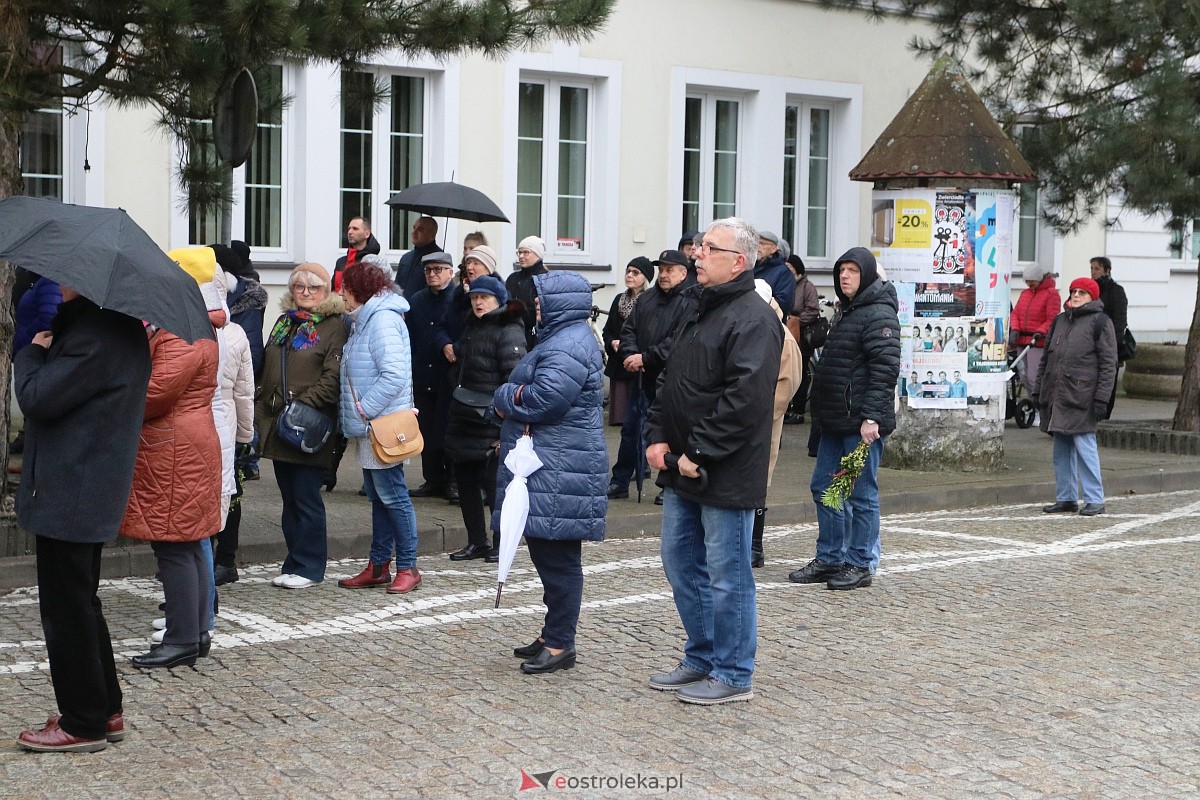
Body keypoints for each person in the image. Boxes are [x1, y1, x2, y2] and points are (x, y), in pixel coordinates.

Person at [646, 217, 783, 706]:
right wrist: (658, 436)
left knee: (728, 575)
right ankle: (701, 656)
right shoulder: (697, 307)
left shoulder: (754, 319)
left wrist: (695, 453)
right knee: (680, 562)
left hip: (722, 470)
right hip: (681, 466)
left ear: (738, 261)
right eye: (699, 246)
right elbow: (671, 380)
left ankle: (733, 672)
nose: (696, 255)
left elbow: (745, 402)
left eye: (708, 248)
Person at [13, 284, 151, 752]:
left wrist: (30, 353)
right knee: (81, 602)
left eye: (63, 276)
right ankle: (104, 709)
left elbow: (37, 397)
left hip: (74, 484)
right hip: (82, 482)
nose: (55, 283)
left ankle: (84, 721)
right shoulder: (109, 326)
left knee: (66, 608)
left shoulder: (97, 334)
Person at [493, 270, 608, 675]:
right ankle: (552, 633)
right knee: (548, 553)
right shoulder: (564, 338)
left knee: (558, 560)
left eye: (542, 300)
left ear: (563, 303)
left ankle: (561, 643)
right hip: (555, 464)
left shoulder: (570, 343)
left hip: (561, 468)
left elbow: (545, 398)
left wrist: (504, 395)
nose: (536, 306)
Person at [123, 246, 222, 669]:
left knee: (175, 546)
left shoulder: (181, 331)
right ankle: (194, 632)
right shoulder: (190, 324)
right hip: (183, 443)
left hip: (174, 447)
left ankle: (182, 637)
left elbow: (153, 394)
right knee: (185, 542)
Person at [790, 247, 900, 591]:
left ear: (866, 275)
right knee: (824, 488)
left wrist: (871, 418)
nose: (845, 276)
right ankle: (830, 557)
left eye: (852, 270)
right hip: (835, 420)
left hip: (860, 424)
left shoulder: (878, 313)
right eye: (841, 270)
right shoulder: (848, 311)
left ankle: (859, 562)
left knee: (860, 494)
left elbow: (885, 370)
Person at [256, 263, 348, 589]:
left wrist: (301, 405)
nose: (306, 293)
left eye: (313, 288)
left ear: (326, 291)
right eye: (299, 287)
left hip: (307, 424)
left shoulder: (335, 326)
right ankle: (294, 562)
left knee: (307, 498)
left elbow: (333, 378)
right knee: (289, 498)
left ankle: (310, 567)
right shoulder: (285, 322)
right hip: (278, 426)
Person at [337, 262, 423, 592]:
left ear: (360, 291)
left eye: (345, 288)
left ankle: (408, 567)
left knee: (393, 495)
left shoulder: (382, 320)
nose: (341, 293)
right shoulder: (365, 320)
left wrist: (364, 409)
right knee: (379, 496)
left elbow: (393, 375)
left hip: (382, 425)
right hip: (371, 427)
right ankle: (378, 565)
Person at [443, 275, 526, 561]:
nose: (478, 302)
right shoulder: (472, 325)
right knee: (465, 481)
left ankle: (501, 542)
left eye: (485, 297)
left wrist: (505, 426)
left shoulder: (509, 329)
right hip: (464, 415)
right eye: (475, 296)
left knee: (494, 485)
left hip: (492, 419)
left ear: (499, 300)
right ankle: (476, 541)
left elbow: (514, 379)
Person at [616, 249, 700, 504]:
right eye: (661, 270)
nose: (663, 275)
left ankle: (669, 483)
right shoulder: (647, 298)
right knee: (631, 429)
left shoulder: (690, 301)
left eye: (669, 270)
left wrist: (647, 357)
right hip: (641, 377)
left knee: (670, 433)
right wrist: (631, 355)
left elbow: (677, 341)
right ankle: (621, 480)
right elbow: (629, 329)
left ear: (683, 273)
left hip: (670, 378)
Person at [1035, 277, 1117, 517]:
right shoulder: (1060, 320)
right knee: (1061, 449)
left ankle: (1094, 499)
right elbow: (1046, 359)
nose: (1077, 295)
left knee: (1084, 446)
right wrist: (1038, 391)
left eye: (1083, 292)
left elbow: (1108, 365)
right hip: (1058, 395)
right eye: (1074, 291)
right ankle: (1066, 498)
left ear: (1093, 297)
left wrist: (1102, 398)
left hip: (1083, 396)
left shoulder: (1101, 322)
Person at [204, 267, 255, 587]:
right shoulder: (234, 332)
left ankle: (218, 560)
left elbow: (243, 390)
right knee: (227, 492)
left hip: (208, 422)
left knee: (218, 493)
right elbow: (244, 392)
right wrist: (245, 434)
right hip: (225, 424)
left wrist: (245, 434)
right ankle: (220, 559)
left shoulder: (187, 329)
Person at [750, 279, 803, 568]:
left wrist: (760, 416)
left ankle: (754, 546)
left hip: (763, 422)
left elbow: (787, 383)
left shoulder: (782, 336)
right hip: (741, 418)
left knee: (758, 480)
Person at [406, 251, 461, 503]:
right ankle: (432, 477)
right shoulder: (417, 300)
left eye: (439, 269)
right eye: (428, 270)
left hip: (447, 375)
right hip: (421, 372)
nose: (432, 274)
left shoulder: (458, 299)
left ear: (450, 272)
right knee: (425, 428)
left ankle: (451, 480)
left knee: (447, 428)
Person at [604, 256, 653, 499]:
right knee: (627, 424)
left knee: (644, 426)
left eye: (635, 272)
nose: (630, 276)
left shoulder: (649, 301)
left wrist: (634, 349)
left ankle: (642, 467)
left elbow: (647, 333)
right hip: (621, 363)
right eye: (628, 271)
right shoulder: (619, 300)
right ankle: (621, 478)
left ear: (645, 277)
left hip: (643, 368)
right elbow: (609, 329)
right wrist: (613, 341)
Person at [1009, 263, 1060, 394]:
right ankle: (1033, 404)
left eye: (1032, 280)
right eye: (1027, 281)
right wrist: (1015, 328)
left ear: (1039, 278)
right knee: (1024, 376)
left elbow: (1052, 318)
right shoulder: (1025, 294)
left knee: (1034, 377)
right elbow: (1015, 313)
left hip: (1037, 341)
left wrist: (1041, 331)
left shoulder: (1051, 294)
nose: (1029, 283)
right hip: (1022, 340)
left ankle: (1040, 405)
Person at [1090, 256, 1129, 419]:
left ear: (1107, 270)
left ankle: (1104, 416)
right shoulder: (1091, 291)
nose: (1093, 272)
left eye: (1097, 269)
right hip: (1091, 341)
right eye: (1091, 269)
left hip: (1110, 343)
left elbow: (1120, 320)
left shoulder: (1116, 291)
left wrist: (1114, 343)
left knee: (1108, 383)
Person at [785, 254, 820, 423]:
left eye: (790, 268)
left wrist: (796, 320)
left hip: (802, 336)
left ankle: (799, 411)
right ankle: (787, 409)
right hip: (786, 333)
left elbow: (813, 310)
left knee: (801, 372)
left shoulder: (807, 287)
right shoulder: (786, 284)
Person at [506, 235, 550, 349]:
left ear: (537, 254)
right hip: (511, 336)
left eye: (526, 252)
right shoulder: (512, 279)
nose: (521, 256)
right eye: (519, 253)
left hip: (534, 339)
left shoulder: (545, 279)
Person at [395, 216, 442, 299]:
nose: (414, 232)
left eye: (420, 229)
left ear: (432, 234)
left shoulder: (438, 258)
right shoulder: (406, 258)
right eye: (414, 228)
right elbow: (397, 286)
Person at [332, 216, 382, 292]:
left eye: (355, 229)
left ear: (367, 234)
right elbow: (333, 291)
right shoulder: (341, 262)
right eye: (349, 229)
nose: (350, 232)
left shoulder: (374, 262)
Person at [753, 231, 796, 317]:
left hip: (769, 322)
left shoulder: (784, 273)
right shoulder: (751, 267)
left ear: (773, 249)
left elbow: (784, 303)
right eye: (756, 243)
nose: (758, 247)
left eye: (762, 243)